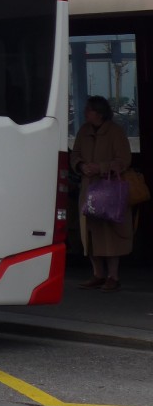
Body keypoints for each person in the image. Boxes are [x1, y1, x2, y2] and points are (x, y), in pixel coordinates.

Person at [70, 95, 133, 292]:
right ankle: (97, 273)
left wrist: (100, 168)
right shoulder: (83, 131)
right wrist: (80, 166)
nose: (84, 113)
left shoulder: (115, 132)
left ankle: (113, 276)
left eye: (88, 110)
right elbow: (75, 154)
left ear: (99, 113)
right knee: (89, 232)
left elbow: (124, 160)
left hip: (108, 191)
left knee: (110, 233)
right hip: (88, 189)